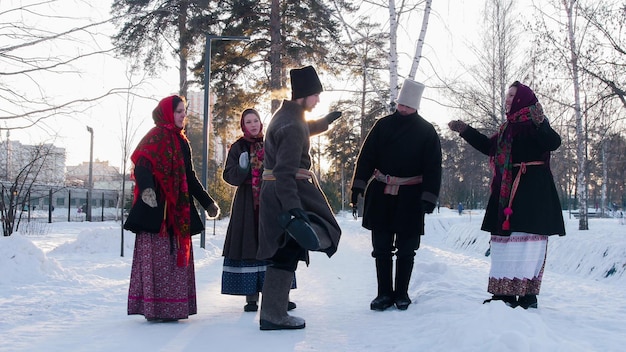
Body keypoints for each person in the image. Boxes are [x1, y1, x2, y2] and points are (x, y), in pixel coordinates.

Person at [448, 81, 566, 309]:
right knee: (506, 242)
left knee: (527, 243)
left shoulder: (535, 122)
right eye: (507, 95)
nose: (508, 99)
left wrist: (541, 123)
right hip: (507, 190)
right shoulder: (506, 128)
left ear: (523, 98)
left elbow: (553, 143)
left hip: (533, 192)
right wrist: (466, 130)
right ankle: (504, 294)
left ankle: (528, 295)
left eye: (512, 95)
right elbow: (488, 147)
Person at [257, 65, 342, 330]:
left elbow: (299, 129)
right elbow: (284, 171)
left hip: (277, 193)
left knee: (286, 249)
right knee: (286, 250)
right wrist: (293, 208)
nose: (318, 100)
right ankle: (273, 315)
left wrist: (324, 122)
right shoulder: (292, 124)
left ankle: (275, 311)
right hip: (285, 193)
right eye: (315, 95)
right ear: (304, 94)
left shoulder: (286, 117)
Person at [124, 95, 220, 321]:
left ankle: (173, 308)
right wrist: (147, 190)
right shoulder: (154, 137)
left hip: (179, 211)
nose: (183, 116)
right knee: (156, 259)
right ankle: (154, 309)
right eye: (179, 111)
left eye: (184, 112)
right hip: (156, 210)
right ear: (167, 113)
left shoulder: (182, 141)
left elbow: (190, 176)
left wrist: (206, 202)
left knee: (175, 258)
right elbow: (142, 165)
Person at [350, 79, 442, 312]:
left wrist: (429, 198)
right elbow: (367, 157)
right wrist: (357, 187)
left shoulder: (427, 131)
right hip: (381, 193)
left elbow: (433, 167)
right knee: (381, 247)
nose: (402, 109)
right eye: (400, 104)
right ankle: (383, 294)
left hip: (411, 197)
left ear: (415, 106)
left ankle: (402, 293)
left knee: (406, 249)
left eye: (407, 106)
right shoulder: (382, 126)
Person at [221, 108, 296, 312]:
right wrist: (242, 169)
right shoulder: (238, 147)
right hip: (247, 204)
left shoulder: (271, 143)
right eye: (248, 122)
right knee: (250, 245)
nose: (253, 124)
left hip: (271, 200)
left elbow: (284, 167)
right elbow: (228, 175)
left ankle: (280, 295)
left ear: (261, 122)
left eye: (256, 120)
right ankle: (251, 297)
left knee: (276, 246)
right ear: (243, 125)